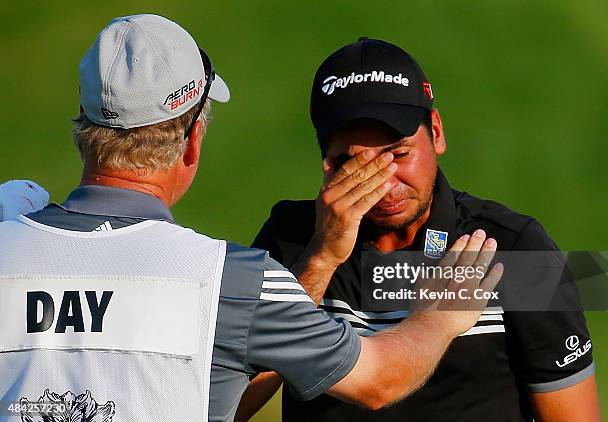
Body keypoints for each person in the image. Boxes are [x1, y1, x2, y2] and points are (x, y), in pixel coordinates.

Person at [0, 17, 503, 422]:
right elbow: (378, 382)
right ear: (193, 139)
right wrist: (440, 315)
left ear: (84, 128)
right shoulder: (232, 279)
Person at [243, 38, 600, 421]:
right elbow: (230, 404)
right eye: (358, 166)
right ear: (328, 165)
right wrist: (321, 259)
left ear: (437, 132)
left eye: (399, 154)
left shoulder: (518, 247)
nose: (387, 183)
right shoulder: (292, 240)